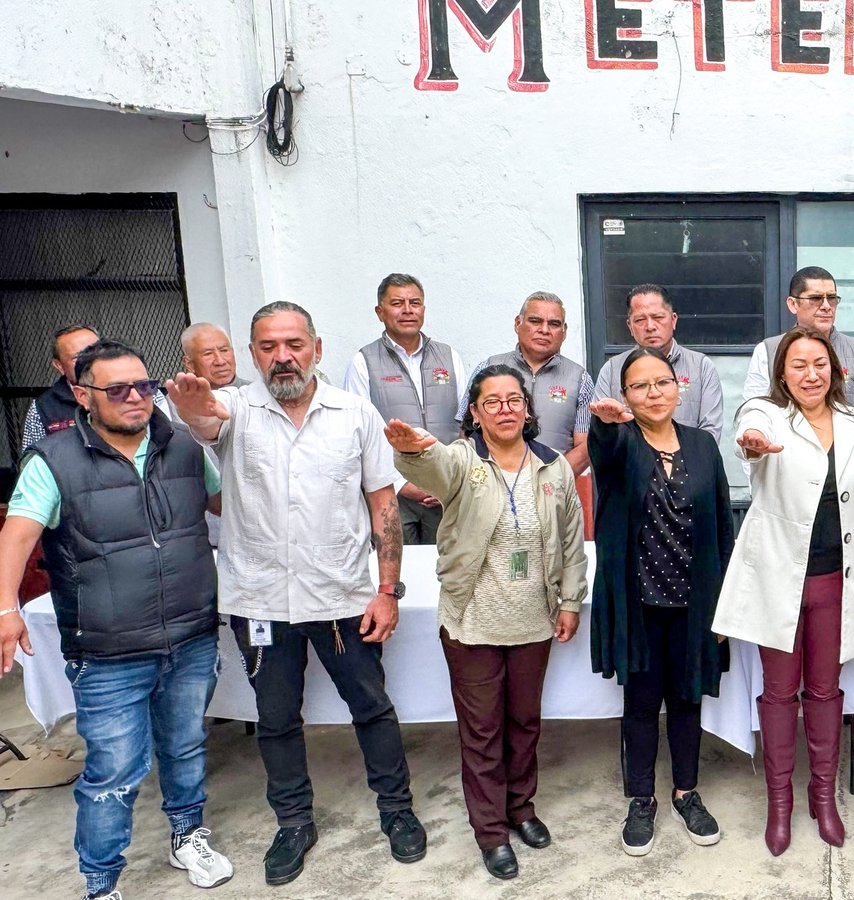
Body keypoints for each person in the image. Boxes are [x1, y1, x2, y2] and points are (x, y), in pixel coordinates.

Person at [166, 301, 426, 886]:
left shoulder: (355, 413)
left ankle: (397, 810)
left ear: (316, 348)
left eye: (294, 344)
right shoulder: (234, 409)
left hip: (342, 597)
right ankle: (293, 823)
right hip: (260, 601)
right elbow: (206, 422)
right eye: (268, 347)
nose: (282, 357)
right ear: (253, 354)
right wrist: (193, 412)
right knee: (277, 719)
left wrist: (387, 589)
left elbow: (383, 504)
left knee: (372, 708)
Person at [0, 340, 230, 900]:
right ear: (82, 395)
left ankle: (187, 835)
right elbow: (17, 537)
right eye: (117, 389)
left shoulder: (184, 447)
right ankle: (101, 884)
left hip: (190, 634)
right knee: (113, 773)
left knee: (185, 747)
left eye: (144, 387)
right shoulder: (53, 462)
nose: (135, 398)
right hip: (108, 651)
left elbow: (229, 505)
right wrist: (6, 609)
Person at [384, 365, 588, 880]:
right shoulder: (462, 460)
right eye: (491, 401)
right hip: (472, 621)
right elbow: (431, 467)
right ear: (474, 413)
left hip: (534, 620)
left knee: (524, 723)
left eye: (513, 399)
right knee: (482, 731)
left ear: (528, 408)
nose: (504, 409)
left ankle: (521, 809)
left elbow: (571, 540)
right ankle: (491, 831)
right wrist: (413, 451)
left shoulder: (553, 467)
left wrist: (570, 601)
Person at [714, 327, 854, 856]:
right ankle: (779, 802)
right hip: (778, 582)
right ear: (782, 374)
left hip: (838, 582)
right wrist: (750, 443)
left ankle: (822, 796)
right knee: (778, 693)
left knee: (825, 691)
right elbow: (749, 433)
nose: (810, 375)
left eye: (819, 364)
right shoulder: (768, 416)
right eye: (798, 366)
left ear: (835, 370)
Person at [587, 349, 733, 857]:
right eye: (639, 386)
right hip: (639, 603)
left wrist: (725, 603)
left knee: (689, 699)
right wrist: (605, 425)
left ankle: (686, 792)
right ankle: (641, 798)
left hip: (695, 603)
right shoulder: (621, 441)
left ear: (678, 387)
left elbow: (722, 523)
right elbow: (603, 454)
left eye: (662, 382)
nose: (653, 393)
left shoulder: (702, 445)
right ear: (625, 395)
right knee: (642, 704)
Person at [346, 273, 469, 545]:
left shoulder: (449, 357)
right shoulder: (363, 362)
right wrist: (403, 486)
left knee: (451, 566)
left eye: (414, 303)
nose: (407, 310)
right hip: (392, 494)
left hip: (447, 492)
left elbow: (467, 426)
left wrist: (451, 481)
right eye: (397, 303)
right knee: (400, 568)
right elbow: (360, 436)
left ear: (423, 309)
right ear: (380, 312)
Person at [743, 267, 854, 442]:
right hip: (785, 452)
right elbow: (753, 412)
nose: (826, 306)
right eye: (816, 298)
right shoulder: (768, 350)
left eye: (832, 298)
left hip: (843, 452)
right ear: (793, 304)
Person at [459, 292, 594, 473]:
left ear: (564, 331)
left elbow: (585, 446)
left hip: (553, 485)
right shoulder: (488, 368)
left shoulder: (580, 379)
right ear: (518, 323)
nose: (544, 330)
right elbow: (465, 430)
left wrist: (553, 478)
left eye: (554, 324)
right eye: (535, 321)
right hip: (491, 483)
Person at [156, 322, 249, 547]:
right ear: (189, 363)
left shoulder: (255, 396)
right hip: (204, 537)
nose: (220, 360)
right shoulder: (172, 406)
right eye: (208, 354)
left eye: (224, 350)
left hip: (256, 533)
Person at [593, 284, 723, 441]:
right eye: (640, 320)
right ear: (630, 326)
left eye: (658, 317)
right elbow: (599, 437)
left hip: (689, 457)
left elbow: (710, 434)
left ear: (673, 320)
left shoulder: (701, 367)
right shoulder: (612, 370)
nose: (650, 327)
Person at [21, 324, 99, 451]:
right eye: (77, 357)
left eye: (97, 352)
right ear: (59, 366)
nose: (90, 361)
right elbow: (33, 456)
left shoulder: (129, 392)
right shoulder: (43, 408)